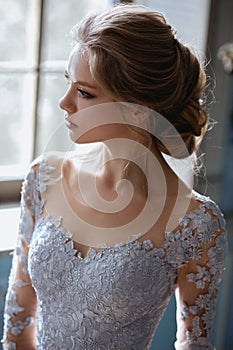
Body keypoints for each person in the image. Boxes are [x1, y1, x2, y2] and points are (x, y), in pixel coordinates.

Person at [2, 4, 227, 350]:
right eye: (68, 84)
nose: (64, 103)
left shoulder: (195, 223)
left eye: (85, 92)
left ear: (138, 108)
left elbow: (194, 344)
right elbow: (18, 321)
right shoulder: (44, 176)